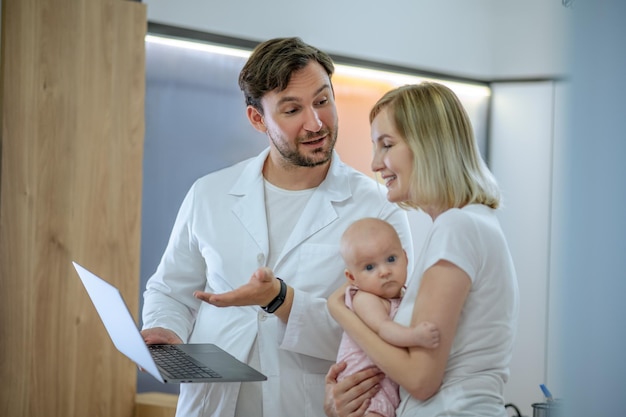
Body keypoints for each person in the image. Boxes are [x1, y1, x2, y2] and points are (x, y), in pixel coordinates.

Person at [140, 37, 415, 417]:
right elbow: (171, 290)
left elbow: (390, 330)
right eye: (292, 110)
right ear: (258, 119)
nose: (316, 122)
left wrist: (281, 299)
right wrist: (165, 333)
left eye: (322, 101)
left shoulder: (376, 208)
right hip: (212, 405)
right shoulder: (210, 194)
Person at [324, 82, 519, 417]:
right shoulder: (472, 222)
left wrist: (343, 311)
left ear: (428, 144)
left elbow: (420, 378)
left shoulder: (457, 227)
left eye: (386, 145)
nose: (374, 163)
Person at [336, 217, 439, 417]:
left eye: (391, 259)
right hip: (367, 389)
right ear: (352, 278)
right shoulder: (365, 299)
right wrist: (415, 336)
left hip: (389, 384)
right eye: (369, 267)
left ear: (406, 258)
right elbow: (384, 328)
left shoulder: (405, 296)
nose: (384, 271)